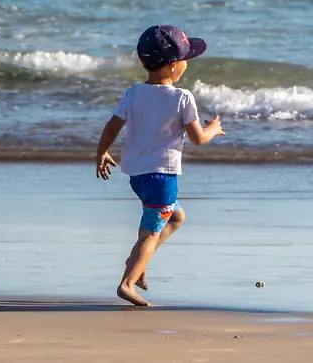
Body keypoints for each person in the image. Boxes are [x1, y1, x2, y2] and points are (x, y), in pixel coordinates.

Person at [95, 24, 225, 307]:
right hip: (162, 177)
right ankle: (128, 283)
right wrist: (214, 128)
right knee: (150, 232)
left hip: (138, 176)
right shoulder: (182, 98)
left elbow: (112, 126)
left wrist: (102, 152)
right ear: (175, 66)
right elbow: (198, 138)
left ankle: (139, 261)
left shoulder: (133, 93)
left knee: (175, 218)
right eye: (186, 60)